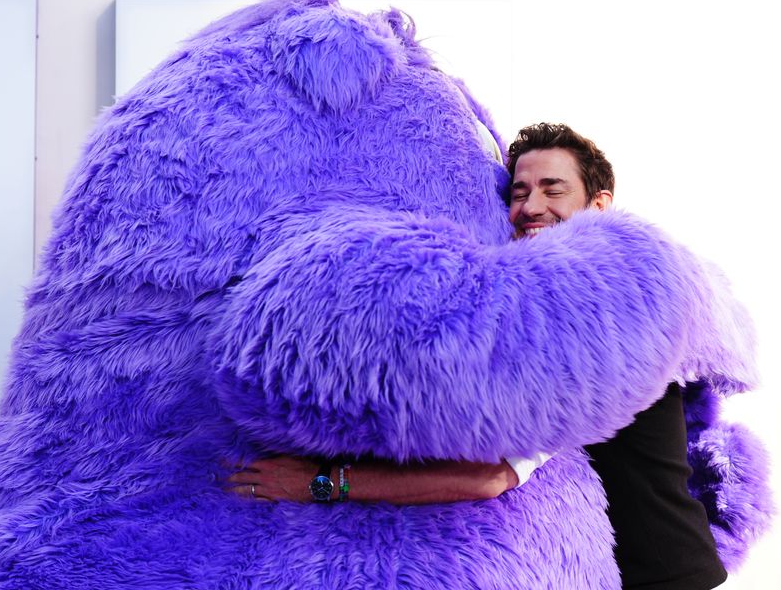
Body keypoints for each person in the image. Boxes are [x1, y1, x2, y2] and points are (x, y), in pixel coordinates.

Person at [228, 123, 727, 589]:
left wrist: (319, 483)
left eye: (554, 190)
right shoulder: (562, 298)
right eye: (519, 192)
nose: (531, 207)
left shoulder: (604, 311)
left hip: (664, 578)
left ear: (600, 205)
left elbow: (491, 476)